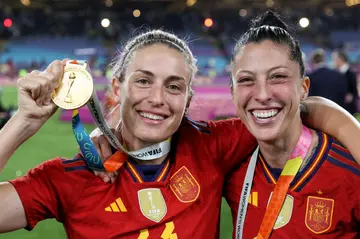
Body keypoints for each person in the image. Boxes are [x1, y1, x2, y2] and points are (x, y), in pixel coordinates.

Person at [0, 30, 359, 239]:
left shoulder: (212, 145)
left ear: (187, 101)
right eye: (143, 81)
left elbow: (288, 109)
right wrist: (22, 124)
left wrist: (350, 131)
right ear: (117, 87)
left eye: (174, 87)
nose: (157, 99)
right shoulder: (69, 178)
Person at [224, 11, 360, 238]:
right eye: (246, 80)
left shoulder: (350, 173)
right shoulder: (228, 165)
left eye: (278, 77)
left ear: (304, 88)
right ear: (233, 93)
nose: (263, 94)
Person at [332, 50, 358, 115]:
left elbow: (354, 90)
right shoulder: (336, 72)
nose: (333, 61)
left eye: (335, 59)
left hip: (348, 108)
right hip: (339, 106)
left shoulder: (351, 72)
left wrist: (351, 95)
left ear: (341, 59)